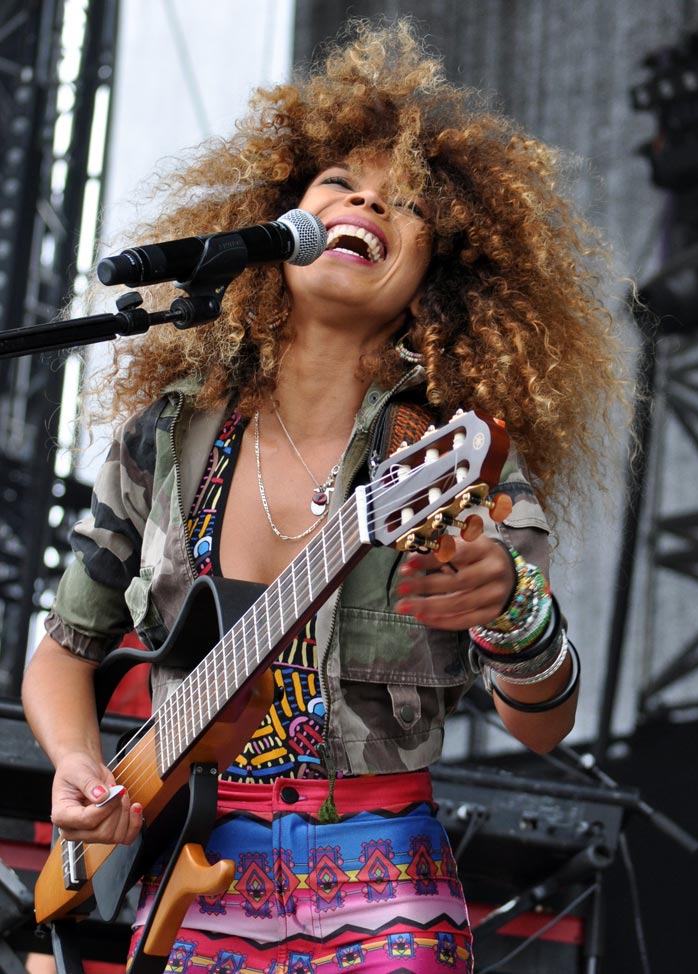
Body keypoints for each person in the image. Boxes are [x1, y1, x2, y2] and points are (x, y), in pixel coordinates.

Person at [22, 19, 626, 974]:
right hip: (188, 873)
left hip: (385, 880)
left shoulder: (445, 457)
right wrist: (77, 766)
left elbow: (542, 722)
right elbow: (65, 650)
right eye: (338, 183)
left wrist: (513, 612)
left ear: (434, 279)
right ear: (279, 225)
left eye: (404, 203)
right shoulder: (167, 439)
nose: (366, 200)